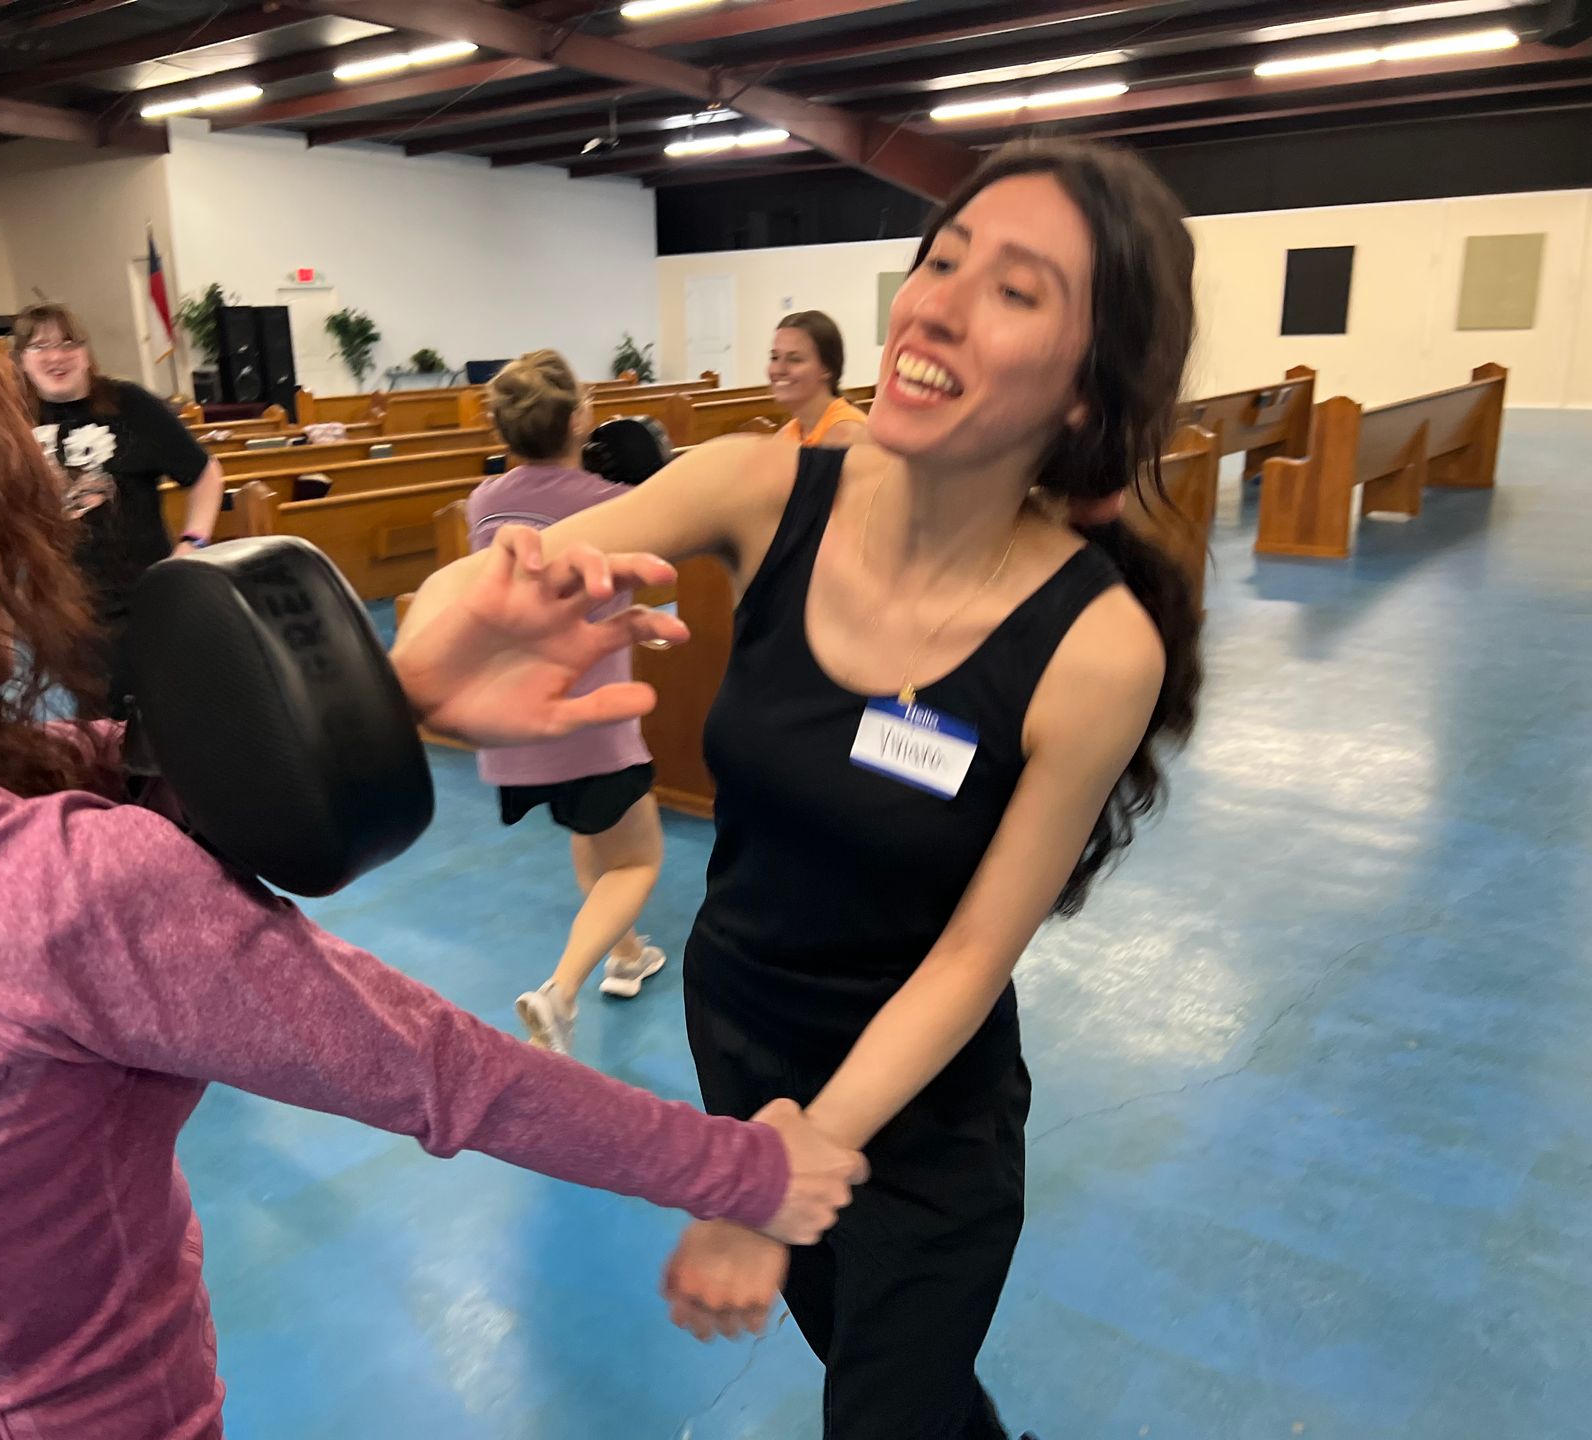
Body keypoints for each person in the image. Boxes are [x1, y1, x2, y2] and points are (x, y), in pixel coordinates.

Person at [0, 262, 870, 1439]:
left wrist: (386, 696)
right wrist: (753, 1173)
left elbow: (117, 769)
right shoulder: (40, 886)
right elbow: (443, 1071)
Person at [406, 138, 1202, 1439]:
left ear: (1085, 391)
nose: (937, 305)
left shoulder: (1095, 647)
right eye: (941, 261)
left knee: (886, 1408)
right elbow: (497, 575)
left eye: (1014, 290)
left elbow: (971, 957)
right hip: (741, 1033)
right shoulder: (762, 486)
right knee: (894, 1387)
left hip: (922, 1101)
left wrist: (779, 1172)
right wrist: (444, 639)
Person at [468, 350, 668, 1055]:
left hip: (519, 727)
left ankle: (626, 953)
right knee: (639, 859)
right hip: (592, 721)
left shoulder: (484, 503)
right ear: (580, 418)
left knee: (591, 833)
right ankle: (561, 991)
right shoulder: (614, 503)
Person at [12, 302, 227, 718]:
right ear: (21, 358)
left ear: (86, 352)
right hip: (61, 605)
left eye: (68, 343)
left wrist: (193, 542)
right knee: (95, 718)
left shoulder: (131, 406)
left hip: (139, 600)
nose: (56, 357)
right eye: (40, 347)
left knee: (163, 715)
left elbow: (205, 474)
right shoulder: (11, 418)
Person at [769, 309, 869, 449]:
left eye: (795, 359)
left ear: (826, 368)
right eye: (774, 358)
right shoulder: (785, 436)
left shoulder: (851, 435)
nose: (778, 370)